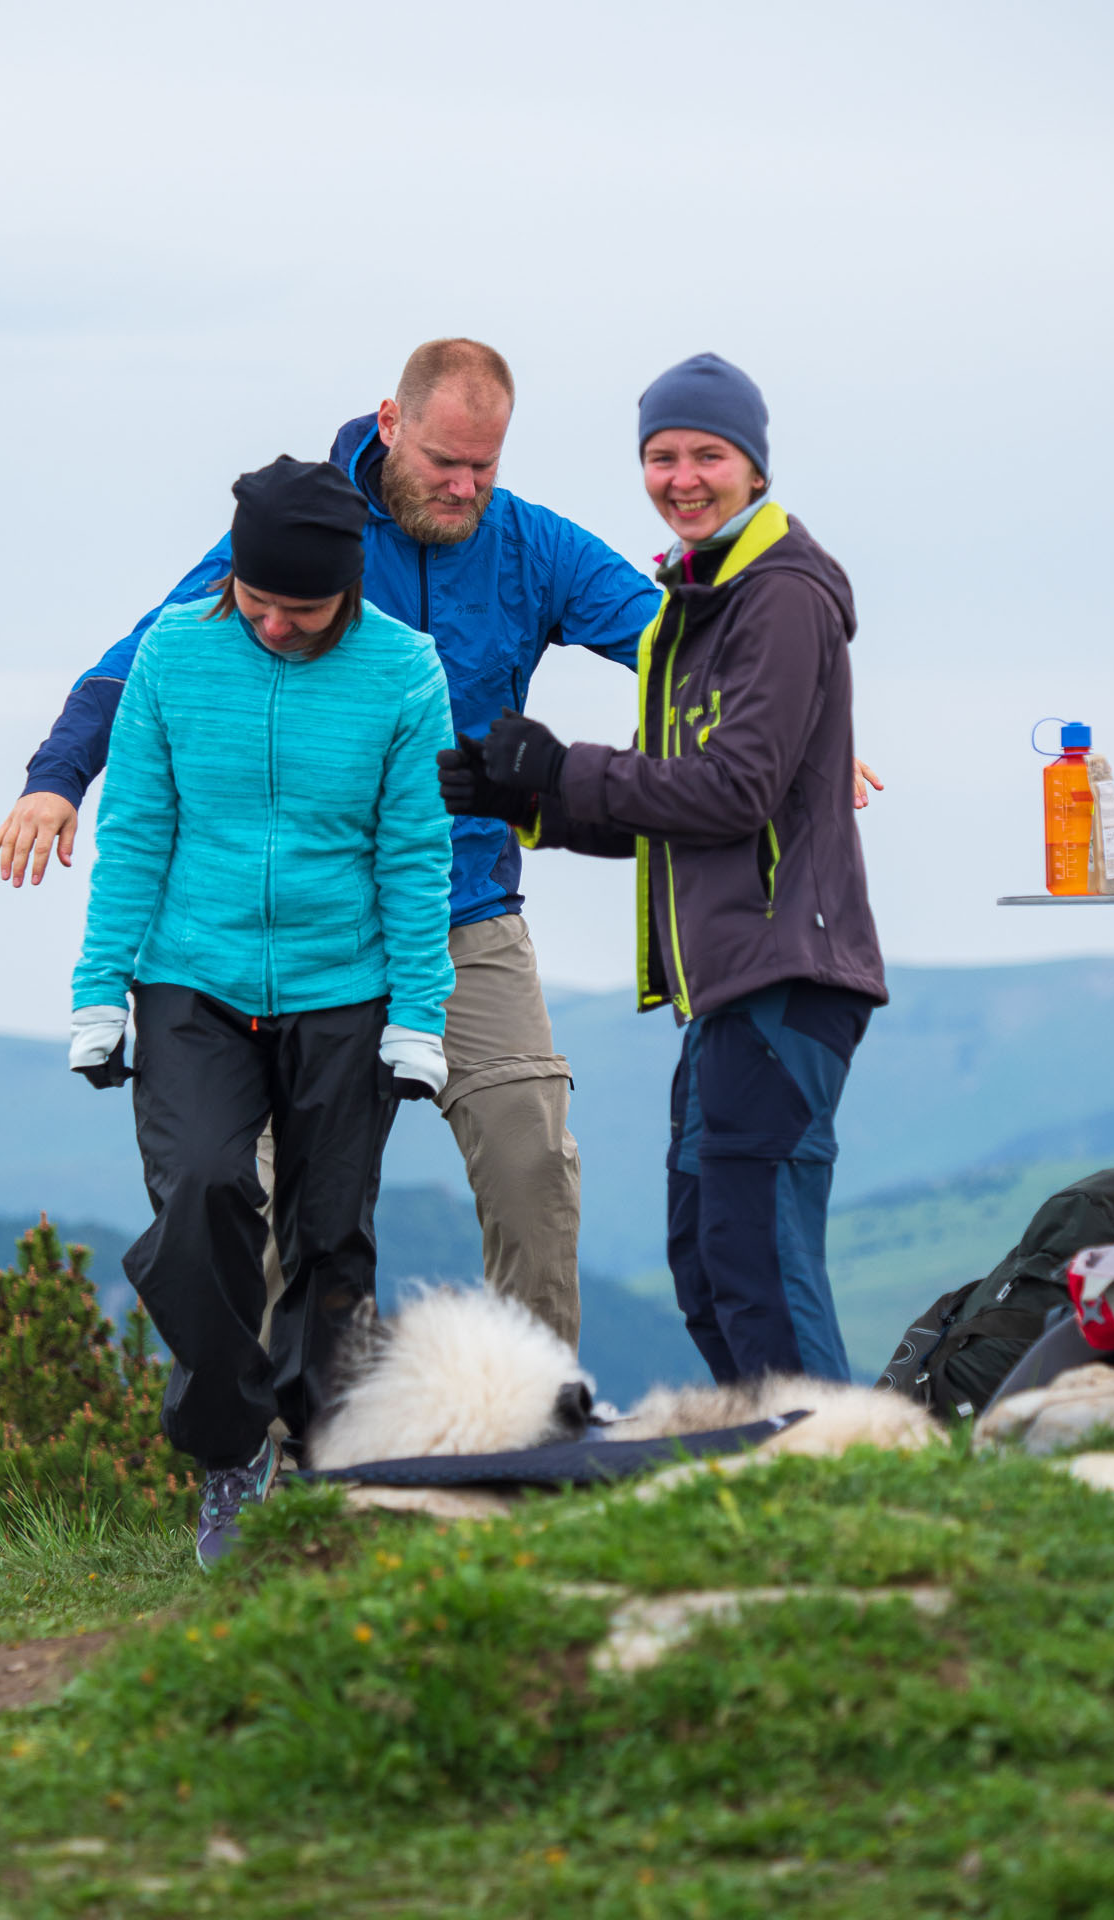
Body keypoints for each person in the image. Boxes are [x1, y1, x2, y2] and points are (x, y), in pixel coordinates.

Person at [0, 339, 663, 1352]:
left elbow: (673, 642)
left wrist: (789, 732)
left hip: (463, 910)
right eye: (445, 462)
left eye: (485, 465)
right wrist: (54, 782)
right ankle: (278, 1463)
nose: (465, 486)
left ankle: (536, 1439)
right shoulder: (298, 537)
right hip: (307, 938)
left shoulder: (532, 546)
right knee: (268, 1198)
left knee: (530, 1155)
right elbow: (139, 663)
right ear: (390, 422)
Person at [439, 352, 887, 1384]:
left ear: (753, 468)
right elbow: (679, 805)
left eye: (706, 455)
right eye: (659, 456)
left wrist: (566, 766)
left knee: (759, 1267)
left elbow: (734, 790)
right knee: (710, 1260)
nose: (680, 476)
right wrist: (532, 802)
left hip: (786, 972)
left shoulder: (776, 596)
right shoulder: (707, 598)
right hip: (730, 981)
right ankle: (776, 1481)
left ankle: (832, 1487)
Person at [70, 456, 454, 1566]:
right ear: (230, 579)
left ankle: (325, 1462)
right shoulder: (172, 658)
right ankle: (233, 1446)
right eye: (258, 602)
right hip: (193, 976)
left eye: (305, 608)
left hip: (347, 984)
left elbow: (414, 852)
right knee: (201, 1189)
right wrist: (101, 991)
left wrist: (417, 1017)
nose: (277, 627)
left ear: (348, 590)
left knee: (331, 1239)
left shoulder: (403, 671)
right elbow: (135, 832)